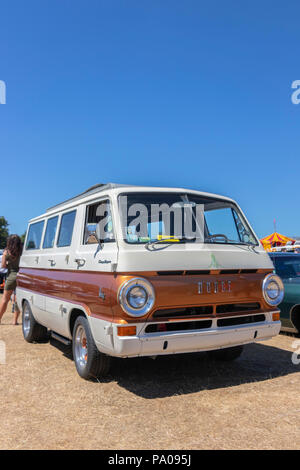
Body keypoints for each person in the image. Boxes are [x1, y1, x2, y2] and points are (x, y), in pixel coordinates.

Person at [0, 235, 22, 325]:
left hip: (11, 277)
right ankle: (15, 321)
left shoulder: (7, 252)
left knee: (5, 299)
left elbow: (3, 266)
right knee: (17, 299)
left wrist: (6, 259)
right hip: (21, 276)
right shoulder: (22, 251)